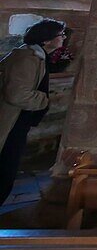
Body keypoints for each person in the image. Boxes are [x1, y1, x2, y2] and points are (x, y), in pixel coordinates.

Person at [0, 19, 66, 203]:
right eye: (61, 35)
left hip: (17, 122)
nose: (64, 38)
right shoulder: (27, 59)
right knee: (6, 167)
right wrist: (45, 101)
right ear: (47, 39)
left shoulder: (37, 57)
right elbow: (17, 95)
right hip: (10, 122)